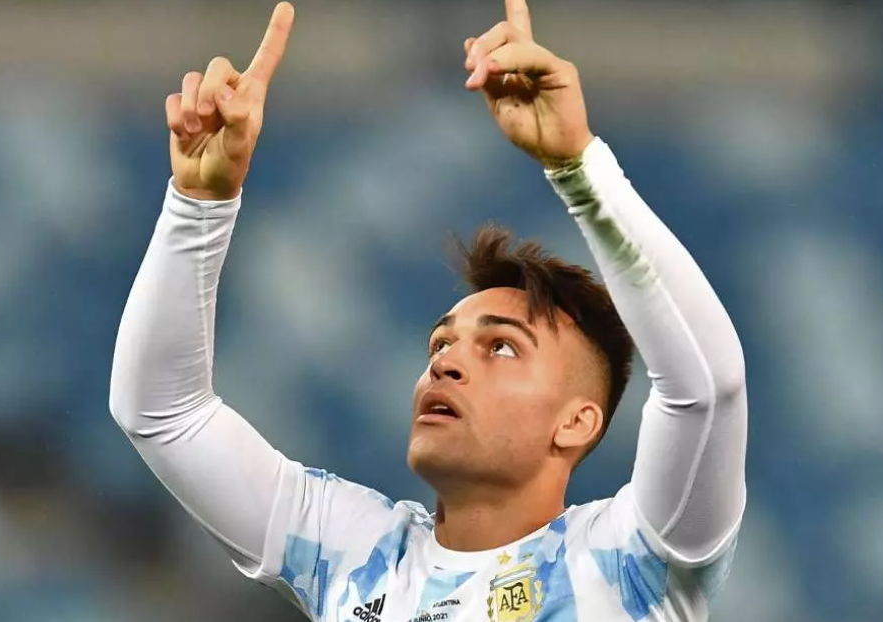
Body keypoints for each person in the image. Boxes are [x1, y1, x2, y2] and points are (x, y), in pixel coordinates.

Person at [109, 1, 748, 620]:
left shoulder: (631, 560)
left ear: (576, 422)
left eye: (501, 346)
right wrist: (198, 203)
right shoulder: (355, 553)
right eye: (441, 344)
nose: (446, 365)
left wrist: (578, 167)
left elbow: (707, 388)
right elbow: (163, 411)